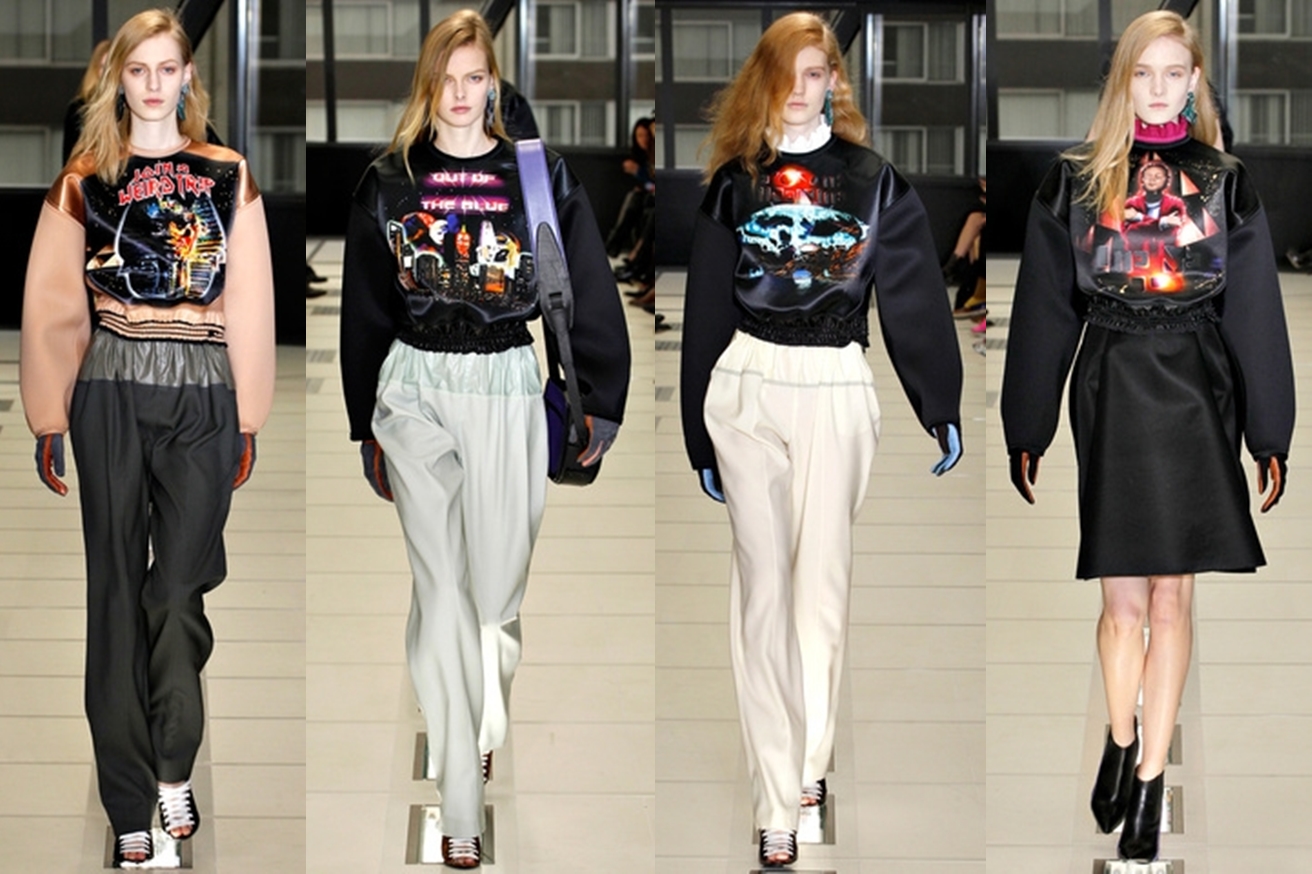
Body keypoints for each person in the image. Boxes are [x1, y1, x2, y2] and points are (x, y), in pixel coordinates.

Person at [338, 10, 630, 869]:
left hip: (505, 383)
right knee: (440, 586)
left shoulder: (536, 175)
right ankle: (459, 796)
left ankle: (482, 718)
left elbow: (585, 286)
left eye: (476, 79)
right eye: (447, 79)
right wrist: (364, 423)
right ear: (426, 84)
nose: (461, 96)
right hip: (413, 386)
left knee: (495, 598)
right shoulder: (389, 181)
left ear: (493, 84)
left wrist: (601, 401)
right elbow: (365, 308)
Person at [1000, 10, 1294, 864]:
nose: (1159, 89)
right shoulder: (1074, 181)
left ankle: (1151, 779)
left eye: (1174, 73)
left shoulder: (1226, 181)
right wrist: (1028, 422)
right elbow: (1047, 307)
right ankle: (1121, 735)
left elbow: (1255, 311)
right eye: (1143, 73)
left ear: (1195, 80)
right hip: (1113, 388)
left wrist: (1270, 430)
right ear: (1122, 82)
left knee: (1173, 599)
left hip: (1199, 392)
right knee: (1121, 605)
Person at [679, 12, 963, 868]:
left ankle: (808, 762)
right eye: (788, 75)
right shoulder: (735, 185)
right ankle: (777, 798)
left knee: (820, 595)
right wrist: (697, 433)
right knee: (762, 593)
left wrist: (939, 401)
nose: (802, 90)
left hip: (837, 383)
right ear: (763, 83)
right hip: (747, 384)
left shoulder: (873, 182)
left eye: (817, 73)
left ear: (835, 81)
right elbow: (706, 311)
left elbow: (910, 292)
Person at [20, 8, 275, 867]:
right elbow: (54, 304)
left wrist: (248, 413)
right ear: (119, 79)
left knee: (176, 592)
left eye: (169, 68)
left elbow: (251, 297)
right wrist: (49, 415)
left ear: (188, 77)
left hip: (203, 392)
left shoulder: (227, 176)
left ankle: (174, 759)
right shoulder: (85, 180)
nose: (155, 84)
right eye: (140, 70)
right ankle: (132, 799)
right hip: (111, 391)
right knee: (115, 596)